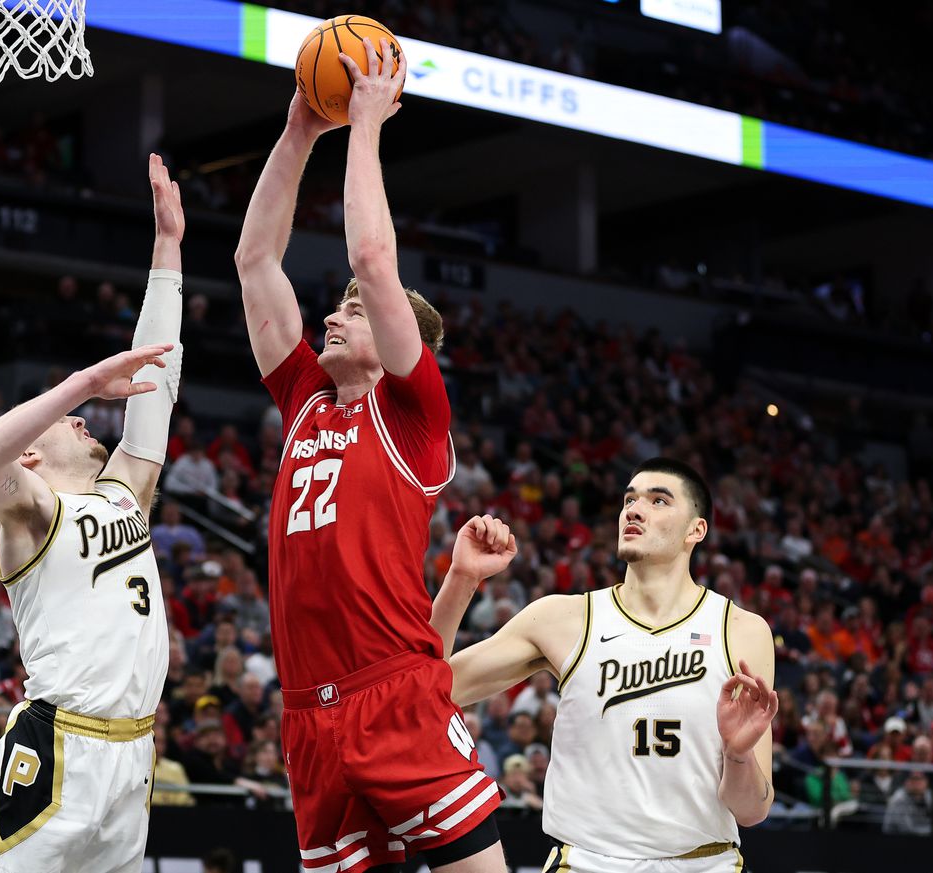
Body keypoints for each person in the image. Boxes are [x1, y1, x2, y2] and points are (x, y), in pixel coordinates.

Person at [234, 38, 503, 873]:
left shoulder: (414, 411)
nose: (340, 310)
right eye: (342, 306)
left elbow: (372, 259)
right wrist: (296, 133)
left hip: (394, 696)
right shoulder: (307, 399)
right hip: (307, 716)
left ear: (402, 345)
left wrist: (364, 126)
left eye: (359, 310)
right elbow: (253, 263)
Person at [0, 154, 183, 873]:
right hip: (60, 744)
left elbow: (156, 383)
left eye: (87, 412)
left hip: (135, 749)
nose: (90, 420)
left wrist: (167, 255)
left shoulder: (123, 492)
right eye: (73, 420)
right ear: (31, 453)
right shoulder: (30, 508)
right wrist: (82, 382)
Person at [436, 459, 777, 872]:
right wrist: (461, 579)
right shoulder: (563, 618)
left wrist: (738, 756)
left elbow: (752, 811)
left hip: (706, 863)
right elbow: (429, 687)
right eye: (629, 499)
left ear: (696, 530)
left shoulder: (742, 630)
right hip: (586, 862)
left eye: (658, 500)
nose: (634, 509)